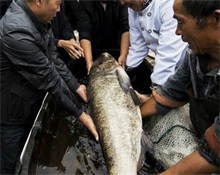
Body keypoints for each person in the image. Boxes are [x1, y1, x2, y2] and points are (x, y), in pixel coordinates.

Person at [0, 0, 98, 174]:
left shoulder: (40, 18)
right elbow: (49, 78)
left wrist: (76, 87)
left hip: (30, 100)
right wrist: (82, 115)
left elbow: (53, 58)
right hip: (11, 113)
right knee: (10, 163)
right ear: (38, 2)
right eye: (57, 3)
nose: (59, 9)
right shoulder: (15, 32)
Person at [140, 0, 220, 173]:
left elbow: (213, 154)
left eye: (181, 22)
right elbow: (169, 95)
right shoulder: (193, 55)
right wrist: (132, 117)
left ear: (216, 19)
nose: (177, 32)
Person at [119, 0, 188, 94]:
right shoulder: (133, 8)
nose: (122, 3)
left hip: (185, 63)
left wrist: (156, 88)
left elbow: (167, 55)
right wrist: (128, 71)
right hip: (163, 61)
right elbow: (137, 46)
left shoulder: (168, 5)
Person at [75, 0, 130, 74]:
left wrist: (123, 55)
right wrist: (89, 61)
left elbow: (125, 28)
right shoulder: (85, 3)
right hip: (94, 50)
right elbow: (84, 32)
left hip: (117, 48)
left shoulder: (122, 2)